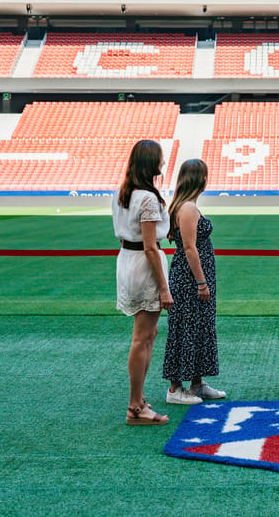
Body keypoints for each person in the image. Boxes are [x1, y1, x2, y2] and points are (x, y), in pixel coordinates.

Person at [113, 139, 172, 426]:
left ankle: (139, 402)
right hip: (144, 264)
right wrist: (164, 287)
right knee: (143, 337)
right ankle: (135, 405)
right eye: (160, 159)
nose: (163, 163)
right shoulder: (147, 198)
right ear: (151, 163)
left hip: (127, 260)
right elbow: (150, 246)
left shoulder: (123, 193)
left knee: (147, 334)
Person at [163, 158, 226, 404]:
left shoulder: (188, 206)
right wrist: (201, 282)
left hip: (195, 277)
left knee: (198, 327)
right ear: (200, 178)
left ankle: (197, 383)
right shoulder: (188, 208)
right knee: (185, 328)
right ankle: (175, 388)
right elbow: (189, 248)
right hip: (190, 280)